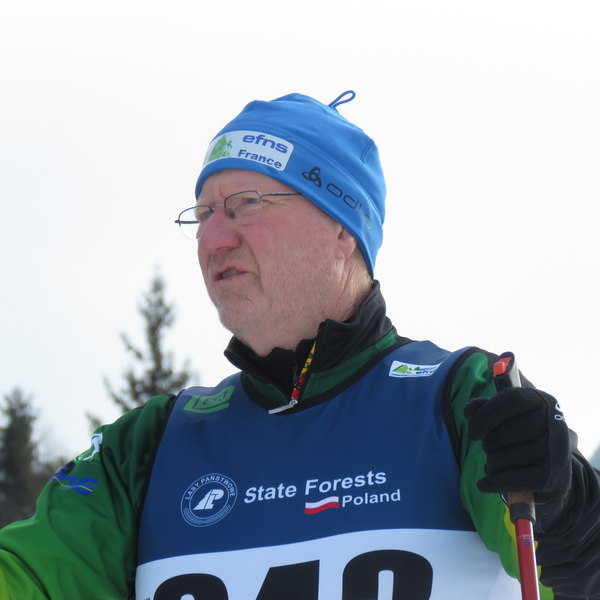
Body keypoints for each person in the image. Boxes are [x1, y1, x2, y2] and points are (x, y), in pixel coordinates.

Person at [0, 91, 599, 600]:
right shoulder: (148, 448)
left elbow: (576, 571)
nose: (212, 239)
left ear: (342, 228)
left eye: (245, 205)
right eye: (203, 215)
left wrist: (566, 503)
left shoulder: (460, 400)